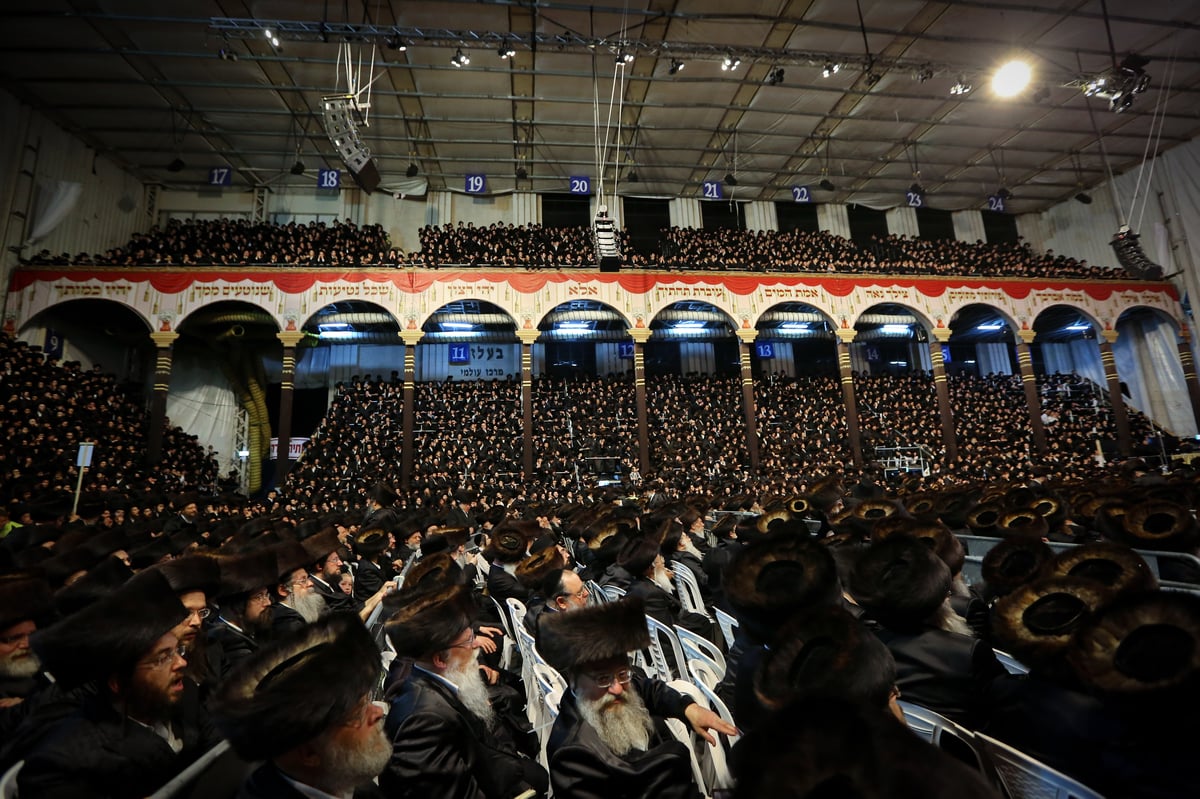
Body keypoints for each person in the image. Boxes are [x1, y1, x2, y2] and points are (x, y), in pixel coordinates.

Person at [21, 569, 221, 798]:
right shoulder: (61, 765)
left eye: (178, 650)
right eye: (163, 657)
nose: (181, 663)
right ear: (117, 682)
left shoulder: (184, 694)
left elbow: (218, 754)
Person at [538, 597, 737, 799]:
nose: (617, 689)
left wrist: (688, 708)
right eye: (603, 678)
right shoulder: (572, 758)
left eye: (622, 674)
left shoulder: (604, 692)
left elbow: (646, 688)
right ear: (574, 680)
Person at [381, 584, 549, 799]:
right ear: (441, 659)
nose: (475, 648)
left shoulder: (433, 683)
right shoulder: (423, 720)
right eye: (468, 642)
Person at [211, 613, 392, 799]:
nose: (377, 711)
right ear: (309, 753)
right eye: (358, 713)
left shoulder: (349, 782)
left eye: (367, 700)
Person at [207, 548, 278, 677]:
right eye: (259, 597)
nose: (268, 602)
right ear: (237, 605)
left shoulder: (250, 629)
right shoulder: (228, 643)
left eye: (267, 595)